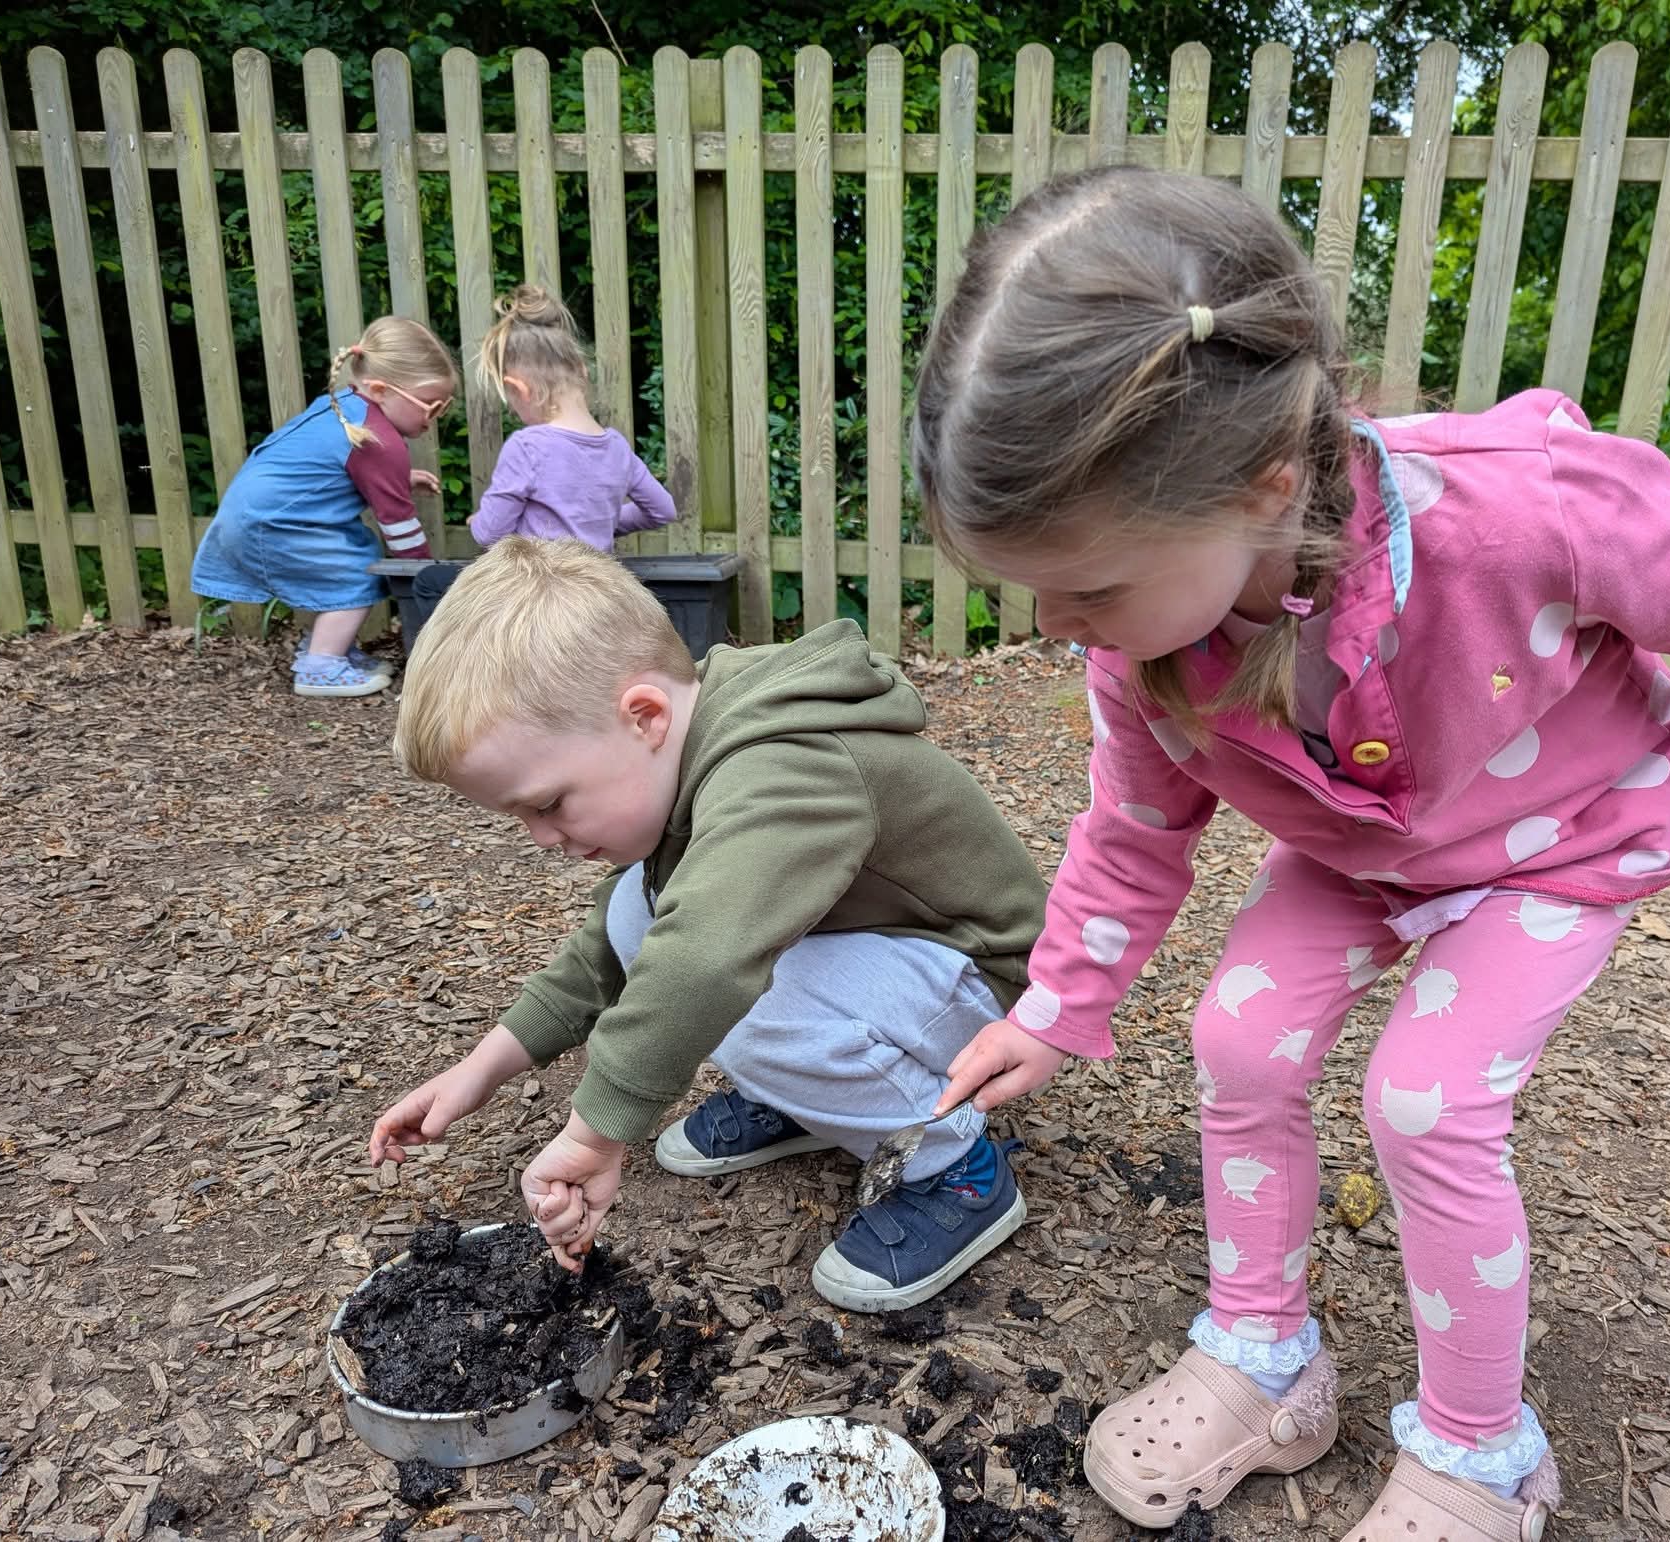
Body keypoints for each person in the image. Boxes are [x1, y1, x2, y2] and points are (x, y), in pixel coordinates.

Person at [911, 167, 1670, 1540]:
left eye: (1090, 585)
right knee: (1237, 1040)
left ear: (1259, 486)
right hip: (1362, 856)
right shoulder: (1140, 654)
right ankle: (1263, 1356)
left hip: (1563, 842)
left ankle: (1483, 1454)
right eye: (1034, 590)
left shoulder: (1521, 509)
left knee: (1424, 1100)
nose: (1057, 623)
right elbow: (1132, 831)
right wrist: (1058, 1006)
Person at [366, 537, 1048, 1313]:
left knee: (727, 989)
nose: (541, 837)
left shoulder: (784, 765)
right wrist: (482, 1068)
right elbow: (611, 953)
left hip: (990, 993)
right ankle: (810, 1099)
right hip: (893, 963)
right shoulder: (694, 747)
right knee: (638, 908)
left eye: (548, 803)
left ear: (645, 717)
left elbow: (705, 959)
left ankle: (952, 1168)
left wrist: (595, 1134)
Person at [190, 316, 456, 697]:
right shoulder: (378, 440)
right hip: (273, 525)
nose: (435, 418)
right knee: (355, 571)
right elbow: (399, 525)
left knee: (346, 563)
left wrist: (400, 477)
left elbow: (328, 467)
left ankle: (329, 649)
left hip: (258, 515)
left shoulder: (345, 406)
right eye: (431, 406)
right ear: (381, 390)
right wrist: (424, 576)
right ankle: (321, 666)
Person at [397, 288, 682, 641]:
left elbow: (490, 534)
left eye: (511, 401)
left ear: (520, 389)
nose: (516, 411)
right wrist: (596, 519)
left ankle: (477, 665)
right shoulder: (617, 447)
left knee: (429, 583)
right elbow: (663, 510)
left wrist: (479, 520)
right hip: (597, 596)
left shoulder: (528, 446)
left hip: (535, 596)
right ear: (582, 372)